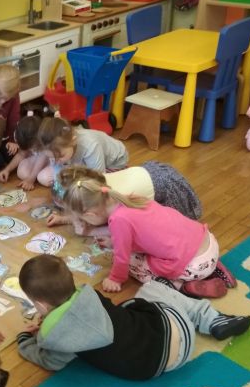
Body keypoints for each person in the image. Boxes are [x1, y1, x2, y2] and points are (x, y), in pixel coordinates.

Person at [16, 254, 250, 377]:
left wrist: (26, 341)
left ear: (40, 305)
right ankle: (209, 317)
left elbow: (50, 361)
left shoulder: (56, 337)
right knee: (151, 289)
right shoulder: (91, 295)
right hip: (176, 331)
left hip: (156, 366)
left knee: (144, 298)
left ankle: (205, 316)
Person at [58, 175, 237, 298]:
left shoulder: (118, 221)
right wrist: (114, 241)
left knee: (133, 263)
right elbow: (147, 234)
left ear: (90, 214)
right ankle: (213, 268)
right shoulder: (130, 198)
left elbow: (121, 258)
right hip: (208, 243)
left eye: (84, 219)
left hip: (194, 265)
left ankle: (183, 286)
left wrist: (115, 279)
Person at [46, 163, 203, 234]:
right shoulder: (92, 186)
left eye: (79, 214)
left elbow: (121, 229)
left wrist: (91, 231)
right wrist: (65, 219)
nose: (79, 218)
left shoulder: (120, 206)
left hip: (167, 186)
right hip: (151, 172)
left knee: (165, 230)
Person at [36, 117, 129, 195]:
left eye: (60, 156)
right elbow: (58, 177)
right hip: (86, 162)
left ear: (73, 141)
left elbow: (99, 178)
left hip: (115, 161)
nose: (55, 161)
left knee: (101, 189)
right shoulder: (58, 150)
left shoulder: (90, 145)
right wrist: (60, 192)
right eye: (51, 158)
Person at [0, 114, 49, 191]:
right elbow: (21, 154)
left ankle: (39, 175)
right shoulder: (26, 137)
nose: (30, 149)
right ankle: (37, 174)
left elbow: (42, 159)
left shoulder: (45, 140)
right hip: (37, 160)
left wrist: (31, 179)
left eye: (32, 147)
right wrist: (7, 170)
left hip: (53, 162)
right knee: (22, 173)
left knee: (44, 178)